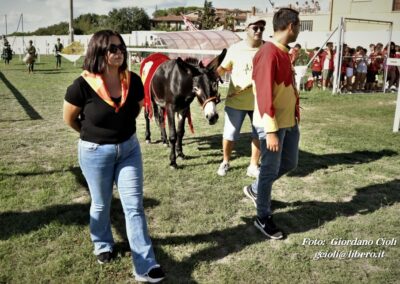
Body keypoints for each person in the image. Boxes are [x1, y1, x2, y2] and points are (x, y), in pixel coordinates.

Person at [63, 30, 165, 283]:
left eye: (121, 47)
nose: (118, 52)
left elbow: (136, 111)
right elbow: (70, 119)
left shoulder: (133, 80)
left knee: (134, 207)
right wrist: (92, 136)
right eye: (112, 48)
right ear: (98, 51)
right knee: (101, 203)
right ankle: (102, 243)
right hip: (95, 152)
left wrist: (120, 133)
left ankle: (145, 264)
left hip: (129, 149)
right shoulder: (81, 86)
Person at [243, 8, 301, 239]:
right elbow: (264, 93)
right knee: (269, 170)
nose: (298, 30)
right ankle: (262, 216)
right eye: (298, 26)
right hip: (271, 125)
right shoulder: (268, 52)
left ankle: (255, 189)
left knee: (289, 163)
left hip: (288, 122)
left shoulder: (282, 51)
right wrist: (271, 130)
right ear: (291, 26)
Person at [216, 16, 265, 177]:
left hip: (259, 103)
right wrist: (211, 77)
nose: (259, 30)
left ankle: (253, 165)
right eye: (255, 27)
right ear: (246, 28)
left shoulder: (267, 49)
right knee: (229, 134)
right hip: (235, 102)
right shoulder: (235, 49)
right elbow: (222, 69)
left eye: (261, 28)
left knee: (258, 134)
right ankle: (225, 161)